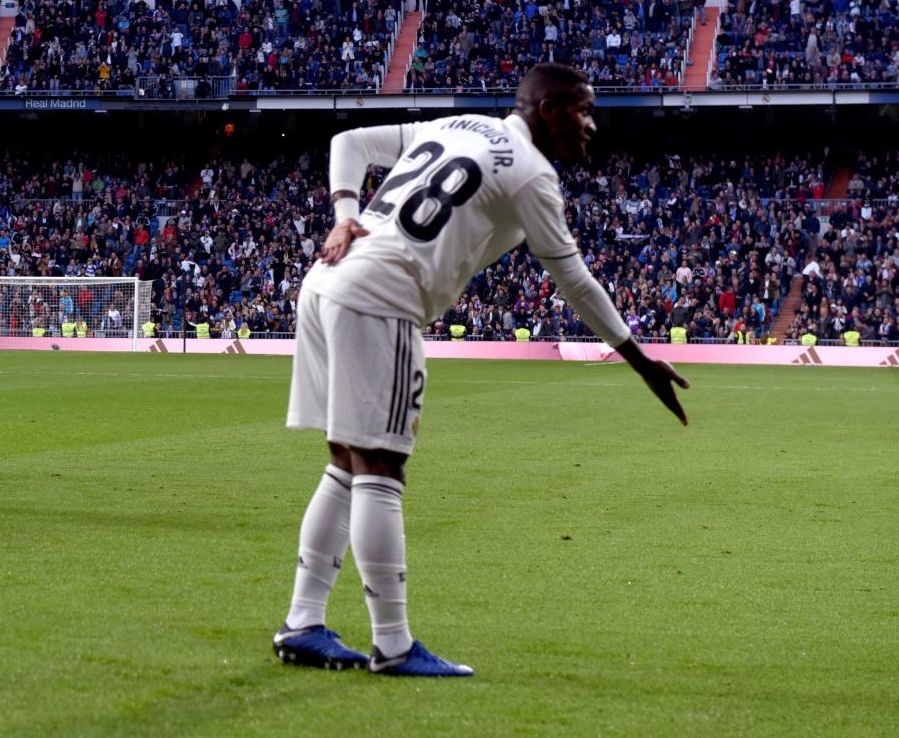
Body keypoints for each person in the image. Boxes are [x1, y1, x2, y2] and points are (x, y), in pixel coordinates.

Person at [273, 64, 689, 677]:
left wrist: (344, 213)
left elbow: (349, 142)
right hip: (383, 294)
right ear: (548, 109)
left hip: (329, 280)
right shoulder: (531, 174)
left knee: (346, 461)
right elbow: (572, 279)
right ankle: (392, 646)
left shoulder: (461, 124)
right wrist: (639, 360)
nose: (591, 125)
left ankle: (303, 623)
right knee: (381, 467)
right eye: (583, 111)